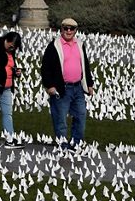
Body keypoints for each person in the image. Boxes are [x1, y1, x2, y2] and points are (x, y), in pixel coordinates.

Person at [40, 18, 95, 150]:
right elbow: (45, 67)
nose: (68, 31)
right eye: (66, 28)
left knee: (81, 116)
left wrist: (89, 84)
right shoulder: (54, 46)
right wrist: (49, 86)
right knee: (60, 119)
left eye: (71, 29)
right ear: (61, 29)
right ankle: (63, 146)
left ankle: (77, 144)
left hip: (78, 88)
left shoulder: (80, 44)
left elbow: (84, 65)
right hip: (61, 88)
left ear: (76, 30)